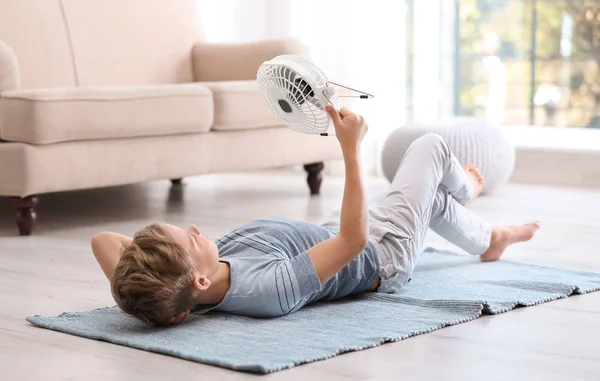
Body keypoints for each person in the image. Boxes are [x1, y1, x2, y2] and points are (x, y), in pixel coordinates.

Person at [91, 105, 540, 327]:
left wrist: (139, 292)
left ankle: (490, 239)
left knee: (428, 203)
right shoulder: (268, 292)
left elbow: (102, 240)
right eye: (191, 239)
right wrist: (351, 148)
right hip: (383, 253)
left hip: (329, 229)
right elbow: (352, 242)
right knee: (430, 148)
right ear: (201, 283)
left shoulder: (179, 286)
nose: (195, 229)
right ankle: (470, 188)